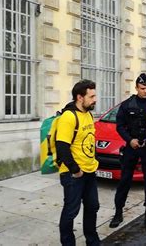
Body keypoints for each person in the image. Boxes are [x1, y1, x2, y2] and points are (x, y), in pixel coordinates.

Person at [109, 73, 146, 230]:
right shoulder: (127, 105)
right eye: (143, 88)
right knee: (124, 181)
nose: (145, 91)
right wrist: (129, 140)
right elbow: (119, 126)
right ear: (136, 88)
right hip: (131, 148)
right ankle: (118, 213)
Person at [56, 79, 100, 246]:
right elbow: (62, 147)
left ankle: (92, 241)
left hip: (89, 171)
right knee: (70, 211)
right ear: (80, 97)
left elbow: (89, 141)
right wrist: (76, 170)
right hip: (73, 174)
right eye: (91, 96)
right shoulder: (69, 117)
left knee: (92, 207)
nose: (95, 99)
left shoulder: (88, 114)